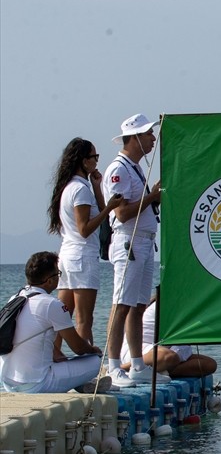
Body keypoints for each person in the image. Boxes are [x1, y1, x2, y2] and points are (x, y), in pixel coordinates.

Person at [104, 114, 163, 389]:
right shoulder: (119, 169)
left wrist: (152, 197)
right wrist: (151, 197)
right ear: (136, 137)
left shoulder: (135, 168)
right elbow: (122, 212)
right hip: (129, 241)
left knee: (138, 305)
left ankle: (137, 363)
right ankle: (114, 366)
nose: (153, 139)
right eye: (149, 134)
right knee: (121, 305)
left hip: (145, 240)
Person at [46, 138, 123, 350]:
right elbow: (85, 228)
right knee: (84, 319)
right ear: (82, 160)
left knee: (62, 317)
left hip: (67, 257)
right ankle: (86, 364)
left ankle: (54, 355)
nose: (97, 161)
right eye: (93, 157)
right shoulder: (80, 190)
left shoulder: (72, 186)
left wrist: (97, 186)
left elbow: (97, 209)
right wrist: (110, 209)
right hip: (82, 257)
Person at [0, 252, 108, 394]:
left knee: (60, 361)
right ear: (49, 281)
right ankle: (82, 385)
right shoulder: (52, 304)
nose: (59, 277)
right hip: (37, 384)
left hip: (8, 382)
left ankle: (81, 385)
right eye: (58, 274)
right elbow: (78, 348)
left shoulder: (15, 298)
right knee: (94, 362)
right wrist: (94, 350)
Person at [120, 297, 218, 379]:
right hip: (140, 350)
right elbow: (168, 340)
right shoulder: (168, 304)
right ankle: (124, 368)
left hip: (171, 349)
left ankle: (163, 371)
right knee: (169, 357)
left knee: (210, 365)